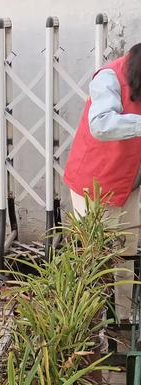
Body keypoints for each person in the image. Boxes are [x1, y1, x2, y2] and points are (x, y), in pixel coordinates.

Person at [64, 43, 141, 322]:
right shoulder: (109, 77)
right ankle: (88, 326)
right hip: (95, 183)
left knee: (127, 255)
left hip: (129, 181)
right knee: (96, 257)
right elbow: (102, 124)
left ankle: (123, 321)